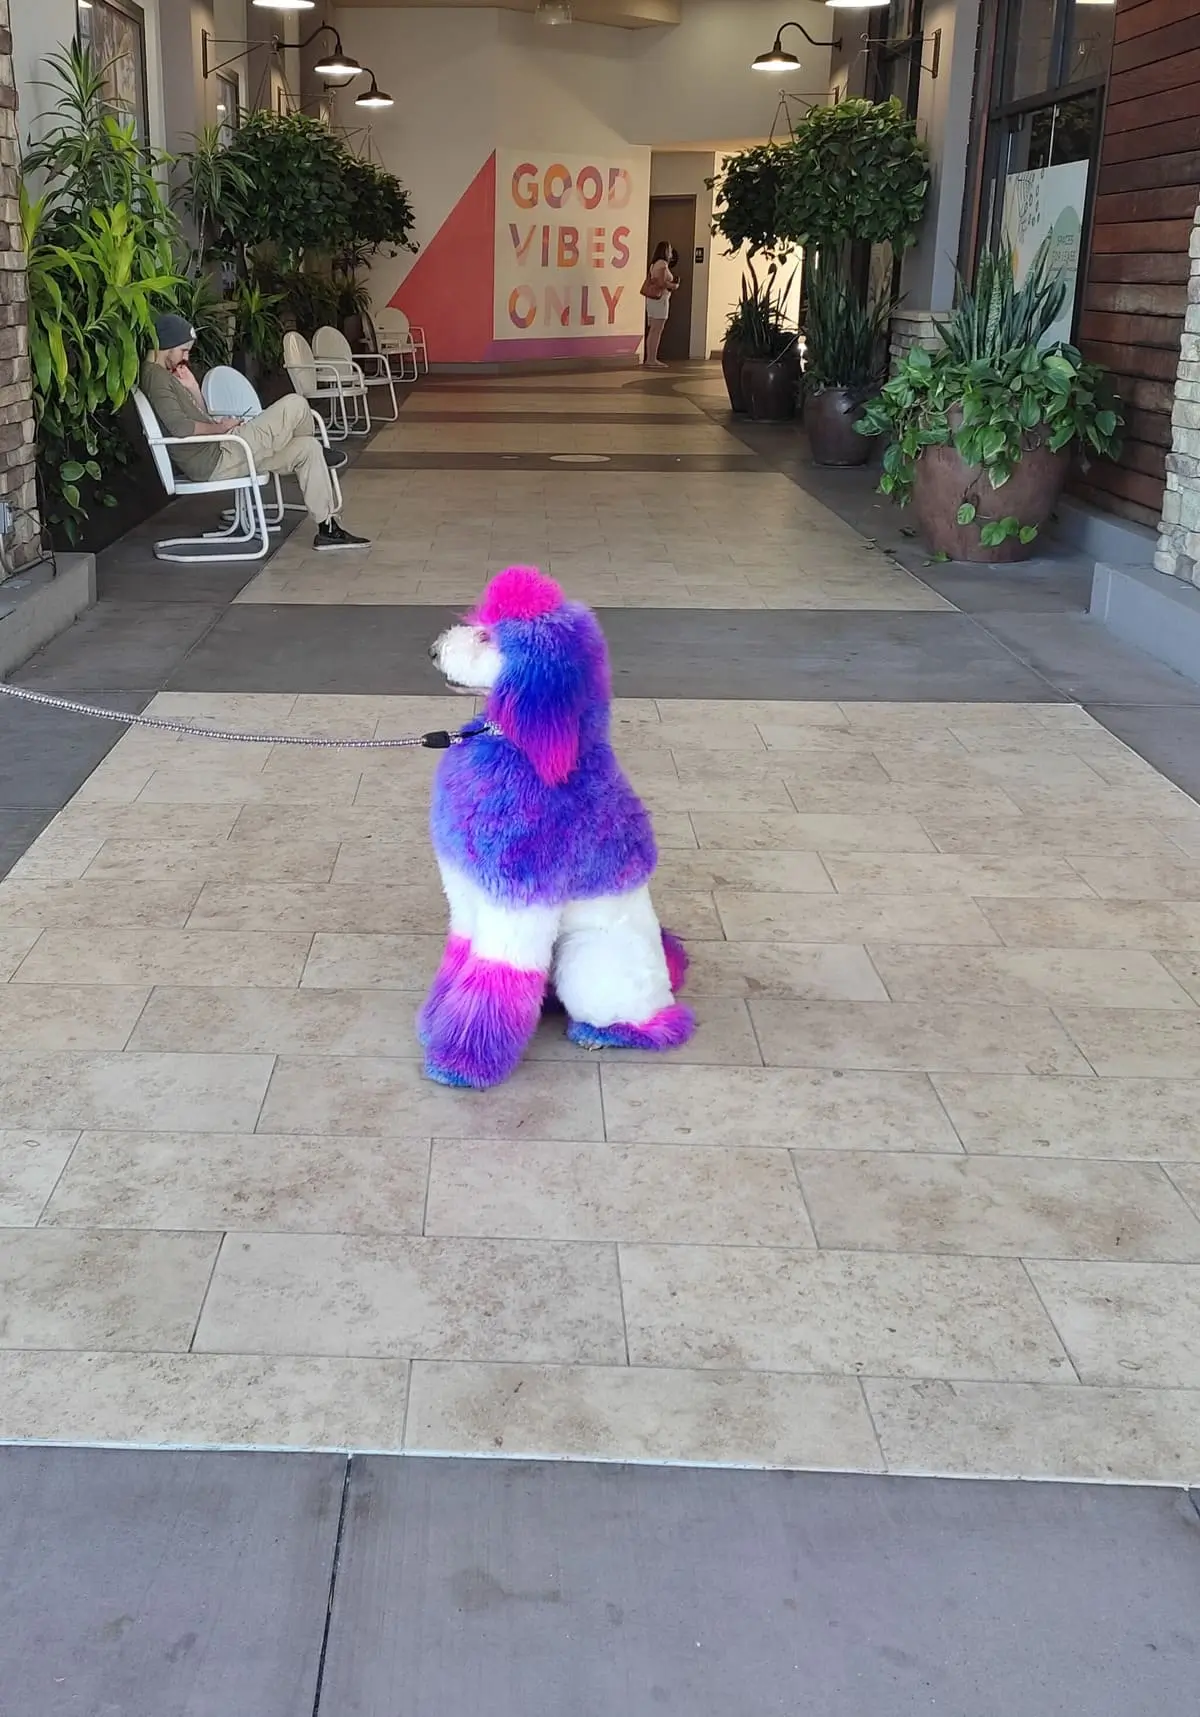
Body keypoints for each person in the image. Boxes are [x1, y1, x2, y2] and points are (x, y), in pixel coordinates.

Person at [138, 314, 369, 552]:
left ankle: (328, 529)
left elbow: (198, 418)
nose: (186, 357)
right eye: (183, 350)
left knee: (307, 448)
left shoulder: (165, 375)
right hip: (217, 458)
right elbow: (181, 428)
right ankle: (316, 447)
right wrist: (222, 428)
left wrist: (194, 389)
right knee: (295, 403)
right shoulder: (155, 377)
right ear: (165, 346)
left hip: (225, 450)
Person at [642, 241, 678, 370]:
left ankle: (650, 358)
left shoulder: (654, 264)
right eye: (669, 249)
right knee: (657, 330)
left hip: (652, 300)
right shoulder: (662, 264)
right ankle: (652, 359)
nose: (671, 252)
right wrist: (673, 286)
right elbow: (662, 283)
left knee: (653, 330)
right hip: (660, 300)